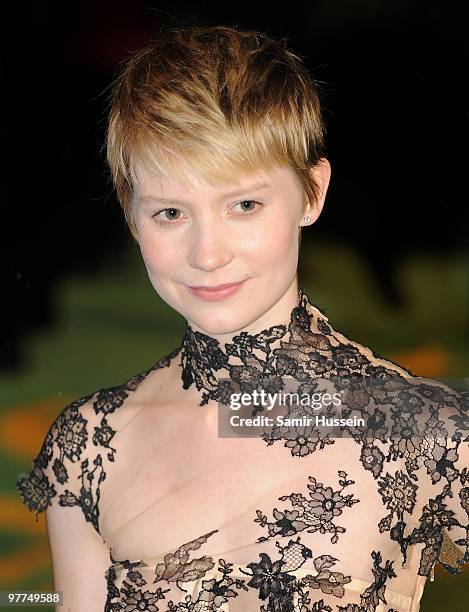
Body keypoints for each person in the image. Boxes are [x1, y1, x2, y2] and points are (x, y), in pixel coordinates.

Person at [17, 25, 468, 612]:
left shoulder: (429, 432)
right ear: (131, 215)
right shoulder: (86, 450)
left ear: (312, 192)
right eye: (172, 212)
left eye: (244, 205)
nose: (208, 254)